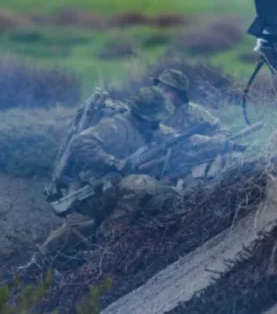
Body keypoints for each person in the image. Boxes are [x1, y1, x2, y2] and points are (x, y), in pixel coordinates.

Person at [21, 87, 183, 271]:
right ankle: (108, 240)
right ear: (144, 116)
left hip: (117, 191)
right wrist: (113, 162)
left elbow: (176, 137)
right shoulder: (115, 126)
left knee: (167, 193)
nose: (159, 122)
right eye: (156, 118)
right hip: (97, 192)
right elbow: (80, 143)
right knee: (140, 184)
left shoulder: (151, 130)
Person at [153, 69, 229, 140]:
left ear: (179, 92)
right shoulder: (154, 116)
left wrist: (206, 140)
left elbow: (224, 133)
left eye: (167, 91)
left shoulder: (195, 111)